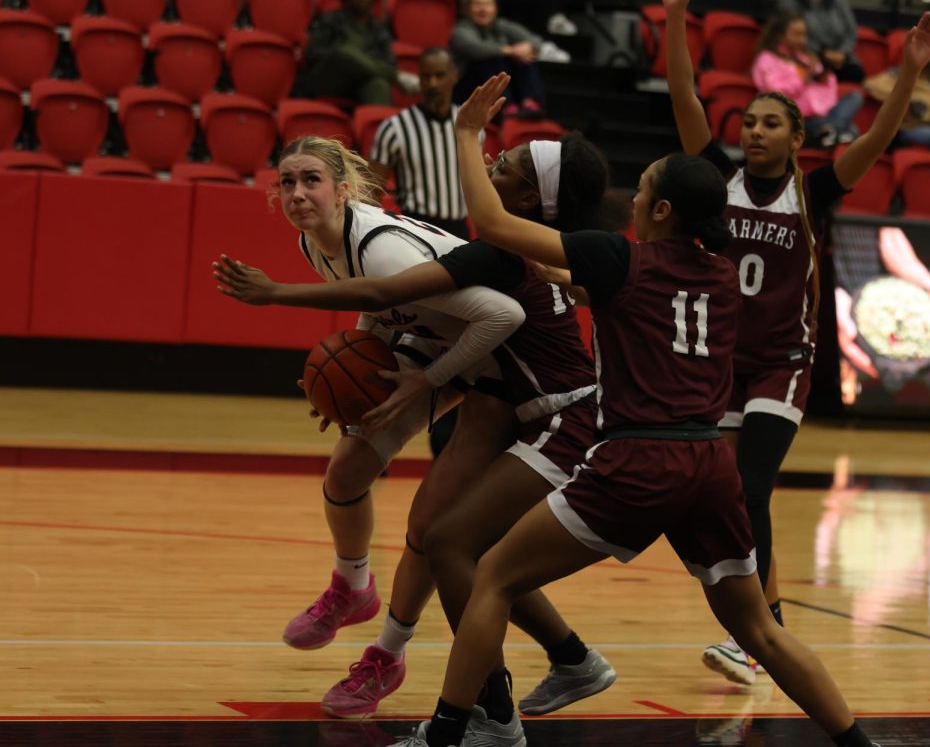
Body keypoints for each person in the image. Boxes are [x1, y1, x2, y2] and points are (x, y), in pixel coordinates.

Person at [391, 71, 883, 747]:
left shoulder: (621, 259)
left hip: (637, 459)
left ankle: (451, 735)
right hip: (710, 464)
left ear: (659, 212)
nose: (634, 195)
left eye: (645, 187)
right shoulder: (717, 270)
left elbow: (499, 224)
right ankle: (859, 743)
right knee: (761, 630)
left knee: (492, 576)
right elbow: (589, 283)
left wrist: (469, 133)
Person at [214, 133, 623, 732]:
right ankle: (355, 588)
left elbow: (489, 314)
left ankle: (400, 661)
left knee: (442, 538)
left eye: (311, 180)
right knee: (356, 470)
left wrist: (421, 379)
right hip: (462, 357)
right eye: (287, 182)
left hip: (504, 378)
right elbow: (382, 311)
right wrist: (355, 379)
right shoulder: (317, 241)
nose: (297, 193)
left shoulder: (388, 249)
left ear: (344, 188)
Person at [656, 0, 930, 684]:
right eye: (748, 122)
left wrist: (909, 69)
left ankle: (759, 633)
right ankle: (767, 624)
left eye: (769, 124)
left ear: (796, 138)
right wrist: (678, 15)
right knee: (715, 498)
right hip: (717, 364)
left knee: (749, 488)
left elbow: (878, 139)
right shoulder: (715, 179)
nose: (753, 132)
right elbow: (685, 98)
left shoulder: (813, 193)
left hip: (781, 363)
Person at [372, 48, 473, 241]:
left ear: (455, 76)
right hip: (414, 228)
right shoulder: (395, 128)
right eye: (426, 76)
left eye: (439, 75)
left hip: (459, 230)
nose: (432, 84)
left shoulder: (469, 125)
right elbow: (371, 192)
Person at [450, 0, 568, 119]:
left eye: (488, 4)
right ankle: (506, 105)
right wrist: (510, 50)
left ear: (495, 8)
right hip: (468, 89)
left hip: (505, 86)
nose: (483, 9)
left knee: (525, 57)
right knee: (490, 58)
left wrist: (527, 47)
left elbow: (536, 40)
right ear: (466, 8)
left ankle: (531, 102)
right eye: (477, 4)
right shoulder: (460, 30)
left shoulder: (501, 25)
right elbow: (474, 48)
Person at [302, 0, 416, 107]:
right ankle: (397, 78)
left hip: (359, 83)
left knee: (379, 85)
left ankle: (379, 126)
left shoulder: (379, 31)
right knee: (343, 52)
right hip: (328, 79)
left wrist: (362, 65)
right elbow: (312, 53)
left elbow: (389, 62)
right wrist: (343, 58)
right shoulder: (329, 21)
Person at [750, 12, 863, 147]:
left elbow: (828, 91)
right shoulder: (767, 59)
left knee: (855, 97)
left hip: (822, 114)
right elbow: (774, 93)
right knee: (852, 131)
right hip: (796, 118)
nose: (802, 39)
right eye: (797, 34)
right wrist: (803, 79)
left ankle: (830, 131)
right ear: (780, 35)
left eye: (804, 34)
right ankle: (833, 133)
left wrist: (824, 79)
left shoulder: (805, 58)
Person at [781, 0, 865, 83]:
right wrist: (823, 54)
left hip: (840, 60)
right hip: (809, 59)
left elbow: (851, 31)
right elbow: (793, 35)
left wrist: (842, 53)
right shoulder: (791, 2)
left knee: (857, 73)